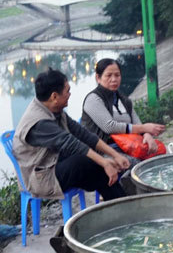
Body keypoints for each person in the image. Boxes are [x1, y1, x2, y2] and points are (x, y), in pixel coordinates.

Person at [12, 68, 131, 203]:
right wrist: (104, 162)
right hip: (41, 177)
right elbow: (72, 143)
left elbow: (83, 134)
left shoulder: (55, 110)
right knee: (86, 163)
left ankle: (120, 204)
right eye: (67, 91)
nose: (70, 94)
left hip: (56, 162)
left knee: (99, 168)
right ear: (54, 96)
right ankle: (121, 204)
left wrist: (115, 156)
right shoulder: (39, 122)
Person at [81, 58, 165, 160]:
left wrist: (147, 135)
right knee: (135, 166)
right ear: (98, 78)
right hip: (102, 152)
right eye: (109, 75)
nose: (114, 79)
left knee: (160, 157)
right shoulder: (93, 99)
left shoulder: (124, 100)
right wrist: (144, 128)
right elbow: (109, 126)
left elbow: (138, 123)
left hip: (129, 146)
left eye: (117, 75)